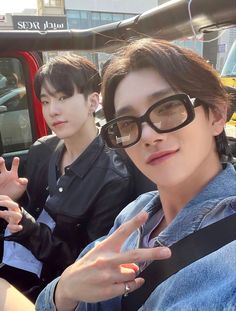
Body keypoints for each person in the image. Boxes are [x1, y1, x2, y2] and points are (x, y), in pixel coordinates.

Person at [33, 38, 236, 311]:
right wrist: (64, 291)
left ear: (217, 115)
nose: (149, 136)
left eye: (168, 108)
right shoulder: (134, 215)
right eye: (127, 123)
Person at [0, 54, 135, 301]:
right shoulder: (42, 150)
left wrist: (27, 226)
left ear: (92, 101)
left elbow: (85, 264)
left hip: (48, 288)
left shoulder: (113, 178)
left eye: (63, 97)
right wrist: (9, 201)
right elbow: (27, 216)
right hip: (12, 261)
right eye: (45, 101)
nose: (53, 110)